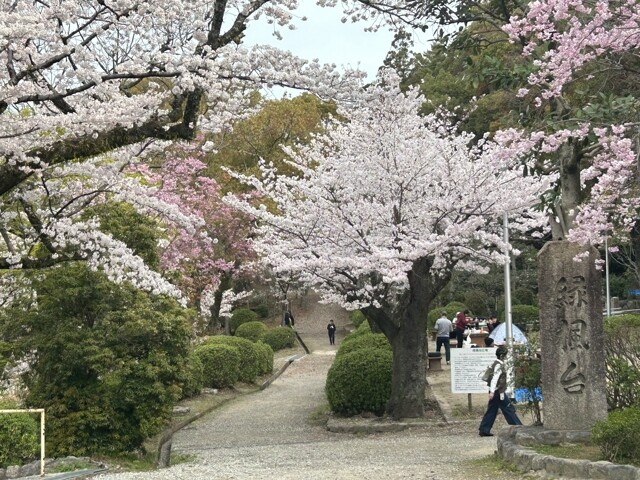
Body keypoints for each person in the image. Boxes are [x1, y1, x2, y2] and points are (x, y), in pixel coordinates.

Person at [478, 345, 522, 437]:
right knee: (508, 409)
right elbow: (495, 379)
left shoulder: (495, 363)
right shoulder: (499, 365)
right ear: (502, 355)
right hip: (498, 391)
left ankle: (484, 429)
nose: (506, 356)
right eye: (506, 355)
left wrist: (491, 391)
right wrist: (492, 392)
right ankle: (518, 428)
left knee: (492, 410)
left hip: (495, 391)